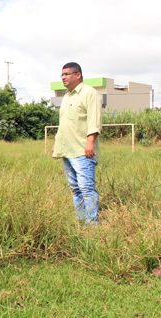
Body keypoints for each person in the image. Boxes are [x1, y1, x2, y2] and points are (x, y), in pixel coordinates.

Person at [51, 62, 102, 225]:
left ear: (78, 75)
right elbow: (63, 123)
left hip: (82, 150)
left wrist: (90, 142)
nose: (63, 78)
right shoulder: (66, 97)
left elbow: (94, 120)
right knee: (75, 188)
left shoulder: (90, 93)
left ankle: (92, 224)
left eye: (67, 74)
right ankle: (80, 220)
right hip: (67, 150)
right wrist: (56, 144)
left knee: (87, 188)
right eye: (62, 75)